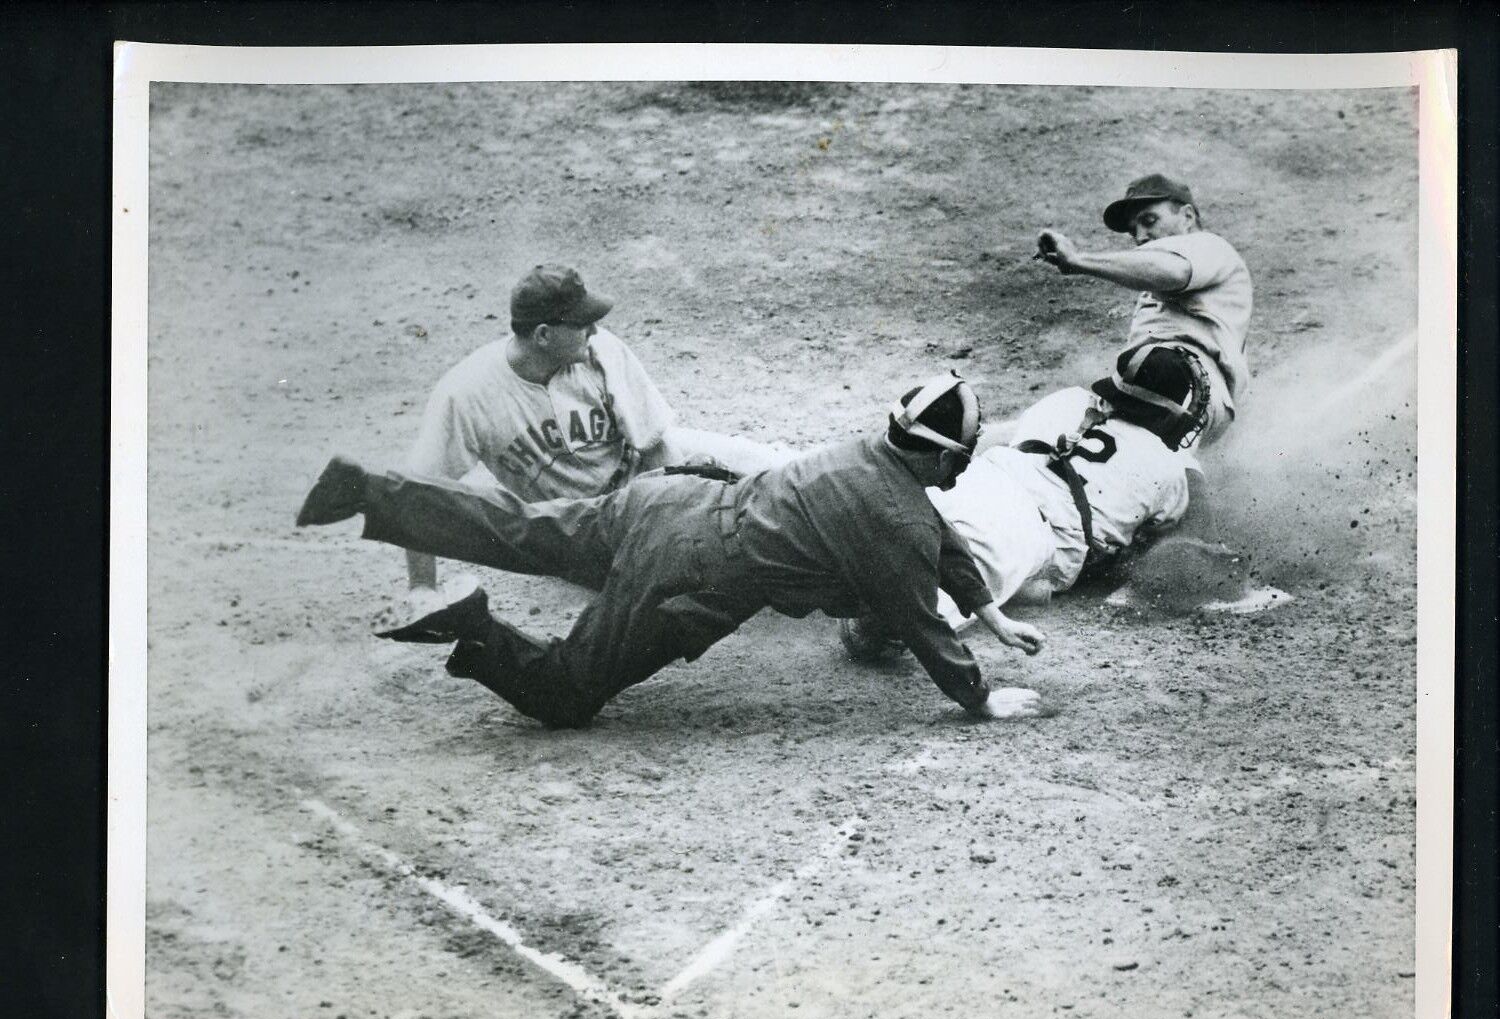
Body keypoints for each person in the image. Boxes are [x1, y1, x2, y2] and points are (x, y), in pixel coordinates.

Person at [296, 373, 1046, 727]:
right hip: (688, 572)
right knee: (564, 695)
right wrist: (979, 696)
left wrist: (993, 611)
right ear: (941, 456)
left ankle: (368, 490)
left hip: (666, 499)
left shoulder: (867, 449)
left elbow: (929, 530)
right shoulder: (898, 521)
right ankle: (472, 624)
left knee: (519, 525)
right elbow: (920, 619)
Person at [399, 263, 795, 613]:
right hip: (587, 528)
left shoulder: (601, 350)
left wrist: (680, 502)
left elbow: (656, 447)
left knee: (781, 470)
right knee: (734, 558)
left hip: (649, 475)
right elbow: (416, 492)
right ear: (543, 335)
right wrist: (422, 588)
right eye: (581, 323)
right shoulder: (468, 394)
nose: (594, 329)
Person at [840, 346, 1231, 658]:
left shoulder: (1068, 399)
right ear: (1170, 413)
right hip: (1024, 531)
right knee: (893, 629)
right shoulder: (1170, 466)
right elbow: (1188, 546)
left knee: (880, 536)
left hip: (984, 477)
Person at [1034, 174, 1253, 448]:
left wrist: (1079, 260)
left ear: (1187, 217)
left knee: (1151, 365)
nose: (1139, 236)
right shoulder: (1167, 283)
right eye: (1133, 230)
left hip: (1184, 387)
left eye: (1149, 221)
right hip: (1174, 398)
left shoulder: (1208, 245)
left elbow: (1174, 271)